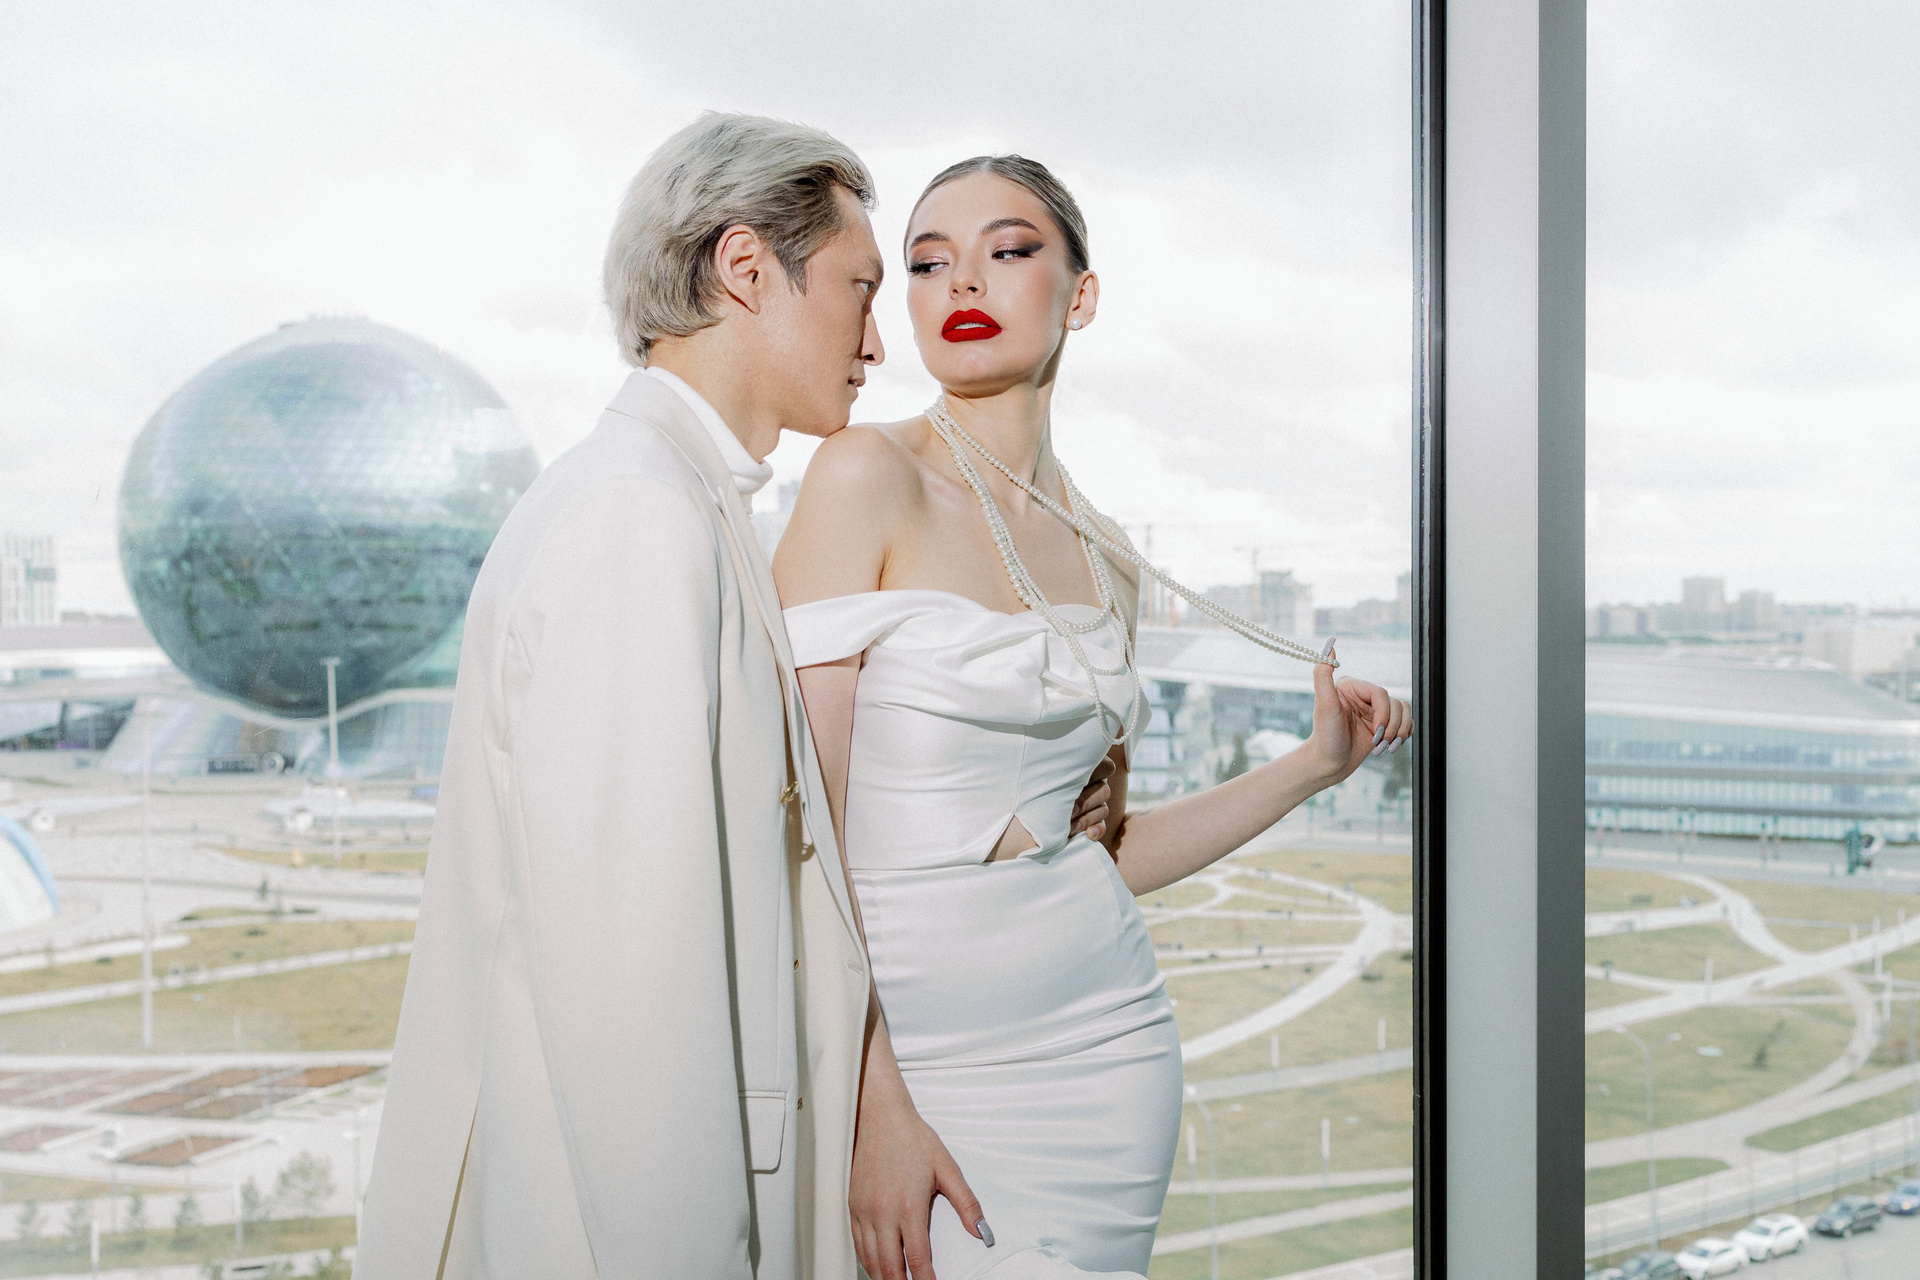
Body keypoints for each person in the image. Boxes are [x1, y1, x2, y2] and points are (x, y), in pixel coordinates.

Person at [772, 155, 1413, 1280]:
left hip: (1107, 1055)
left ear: (1081, 295)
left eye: (1009, 250)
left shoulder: (1108, 553)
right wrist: (874, 1105)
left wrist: (1314, 766)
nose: (963, 281)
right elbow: (794, 836)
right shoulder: (862, 475)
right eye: (927, 263)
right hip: (909, 1069)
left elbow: (1099, 852)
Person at [355, 113, 890, 1280]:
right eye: (861, 288)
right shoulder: (635, 519)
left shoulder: (671, 499)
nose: (878, 341)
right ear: (746, 267)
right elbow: (629, 1000)